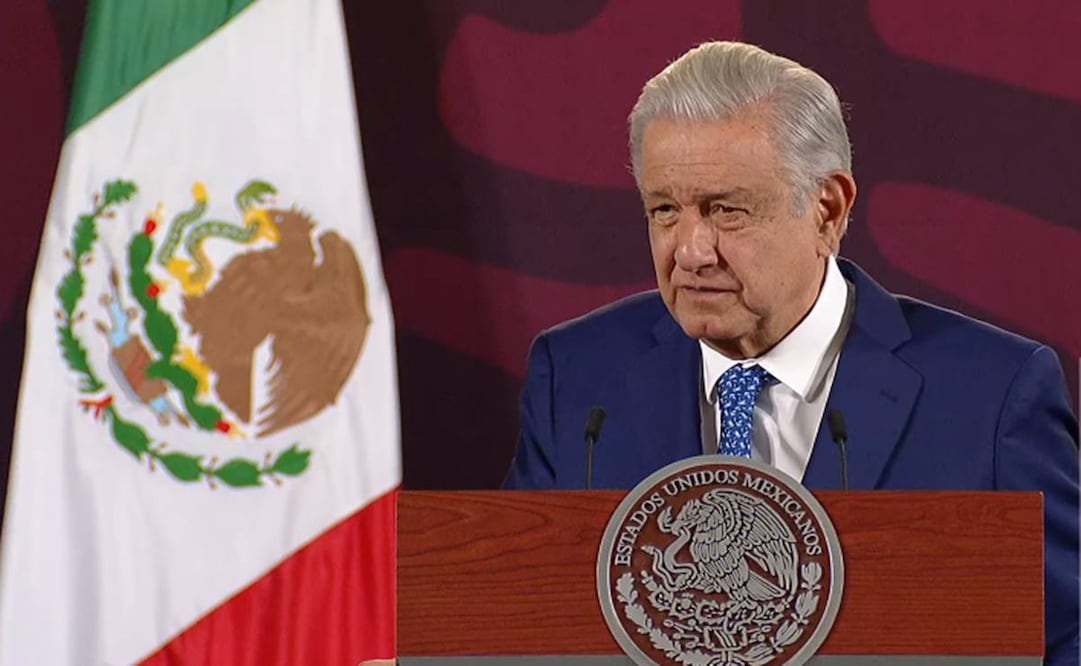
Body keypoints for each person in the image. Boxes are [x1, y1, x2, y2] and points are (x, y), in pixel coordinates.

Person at [502, 41, 1079, 664]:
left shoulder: (991, 395)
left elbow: (1069, 636)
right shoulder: (579, 380)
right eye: (664, 210)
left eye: (727, 210)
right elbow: (508, 622)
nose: (691, 251)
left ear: (827, 210)